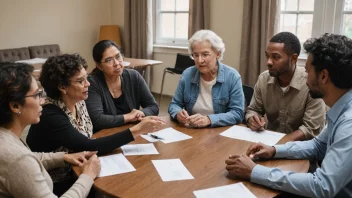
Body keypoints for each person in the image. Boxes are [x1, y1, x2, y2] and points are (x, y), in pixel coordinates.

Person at [225, 33, 352, 197]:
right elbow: (318, 146)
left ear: (323, 76)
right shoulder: (342, 108)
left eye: (307, 71)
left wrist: (255, 171)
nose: (305, 79)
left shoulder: (349, 123)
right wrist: (273, 150)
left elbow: (322, 186)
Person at [27, 54, 165, 196]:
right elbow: (88, 145)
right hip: (56, 183)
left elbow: (92, 136)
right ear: (62, 87)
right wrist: (136, 130)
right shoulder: (50, 114)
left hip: (80, 168)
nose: (88, 84)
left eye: (86, 78)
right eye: (81, 81)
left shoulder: (79, 100)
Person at [0, 62, 101, 197]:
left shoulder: (6, 137)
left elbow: (30, 158)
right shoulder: (17, 159)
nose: (42, 101)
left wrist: (63, 157)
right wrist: (87, 176)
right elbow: (22, 161)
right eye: (37, 95)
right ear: (15, 106)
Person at [245, 32, 326, 141]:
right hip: (268, 141)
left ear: (293, 59)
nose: (268, 62)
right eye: (267, 56)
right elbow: (253, 110)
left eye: (276, 57)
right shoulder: (264, 79)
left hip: (301, 149)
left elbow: (311, 129)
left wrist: (279, 144)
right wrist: (252, 119)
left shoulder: (311, 83)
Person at [168, 30, 244, 127]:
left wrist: (209, 119)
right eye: (195, 55)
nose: (200, 60)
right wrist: (178, 113)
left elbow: (237, 113)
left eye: (205, 54)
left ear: (218, 54)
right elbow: (174, 104)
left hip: (220, 132)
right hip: (192, 130)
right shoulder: (188, 74)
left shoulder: (232, 76)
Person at [85, 40, 159, 132]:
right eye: (109, 60)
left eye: (118, 56)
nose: (116, 63)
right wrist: (128, 117)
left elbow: (153, 106)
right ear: (99, 66)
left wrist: (142, 113)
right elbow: (97, 120)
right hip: (106, 136)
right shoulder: (91, 83)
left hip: (133, 133)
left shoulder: (133, 76)